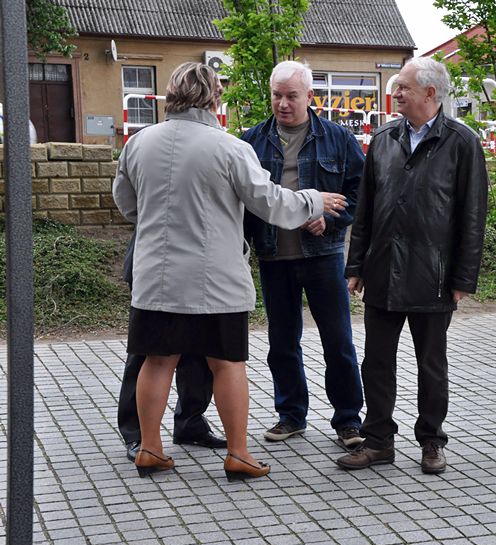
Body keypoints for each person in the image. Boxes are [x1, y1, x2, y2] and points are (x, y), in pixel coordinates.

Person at [112, 62, 347, 481]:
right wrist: (313, 200)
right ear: (212, 97)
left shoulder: (139, 143)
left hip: (156, 275)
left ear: (171, 94)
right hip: (213, 279)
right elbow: (270, 203)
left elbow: (127, 204)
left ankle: (149, 448)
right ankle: (238, 454)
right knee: (227, 363)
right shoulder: (230, 147)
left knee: (157, 361)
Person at [336, 57, 488, 474]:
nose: (395, 93)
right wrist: (356, 265)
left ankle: (432, 441)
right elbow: (365, 208)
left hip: (433, 274)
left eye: (402, 87)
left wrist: (462, 277)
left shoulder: (461, 142)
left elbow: (473, 215)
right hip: (383, 271)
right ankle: (379, 441)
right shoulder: (383, 138)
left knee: (431, 365)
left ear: (429, 93)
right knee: (377, 362)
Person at [242, 61, 364, 449]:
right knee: (282, 342)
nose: (282, 103)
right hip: (273, 256)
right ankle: (291, 415)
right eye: (277, 95)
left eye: (291, 96)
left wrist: (332, 220)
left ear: (310, 97)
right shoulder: (251, 141)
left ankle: (348, 420)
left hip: (323, 256)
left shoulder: (338, 138)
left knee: (338, 342)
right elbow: (243, 201)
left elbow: (363, 194)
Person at [117, 233, 226, 462]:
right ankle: (137, 435)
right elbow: (128, 203)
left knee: (200, 346)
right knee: (148, 351)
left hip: (201, 264)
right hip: (156, 262)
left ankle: (191, 422)